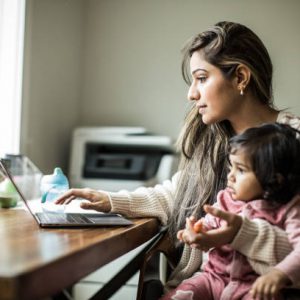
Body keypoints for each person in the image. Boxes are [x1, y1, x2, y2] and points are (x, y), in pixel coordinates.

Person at [55, 21, 300, 297]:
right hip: (210, 285)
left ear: (241, 77)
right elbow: (177, 196)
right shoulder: (215, 142)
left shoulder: (294, 144)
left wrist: (241, 235)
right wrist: (110, 200)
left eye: (202, 78)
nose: (191, 93)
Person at [166, 123, 300, 300]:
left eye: (241, 170)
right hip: (213, 278)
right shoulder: (226, 198)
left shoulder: (290, 209)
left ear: (274, 179)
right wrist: (198, 231)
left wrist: (278, 274)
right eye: (231, 167)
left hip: (254, 287)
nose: (231, 176)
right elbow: (209, 224)